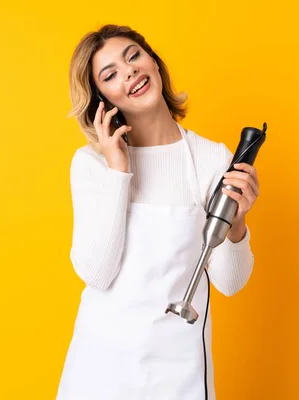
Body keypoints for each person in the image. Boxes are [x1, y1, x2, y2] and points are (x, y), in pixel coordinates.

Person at [57, 24, 260, 400]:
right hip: (100, 368)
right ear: (102, 100)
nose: (129, 71)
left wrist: (238, 223)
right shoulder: (91, 165)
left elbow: (229, 283)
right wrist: (119, 172)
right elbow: (97, 273)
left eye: (133, 56)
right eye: (110, 74)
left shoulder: (210, 159)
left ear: (154, 62)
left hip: (178, 371)